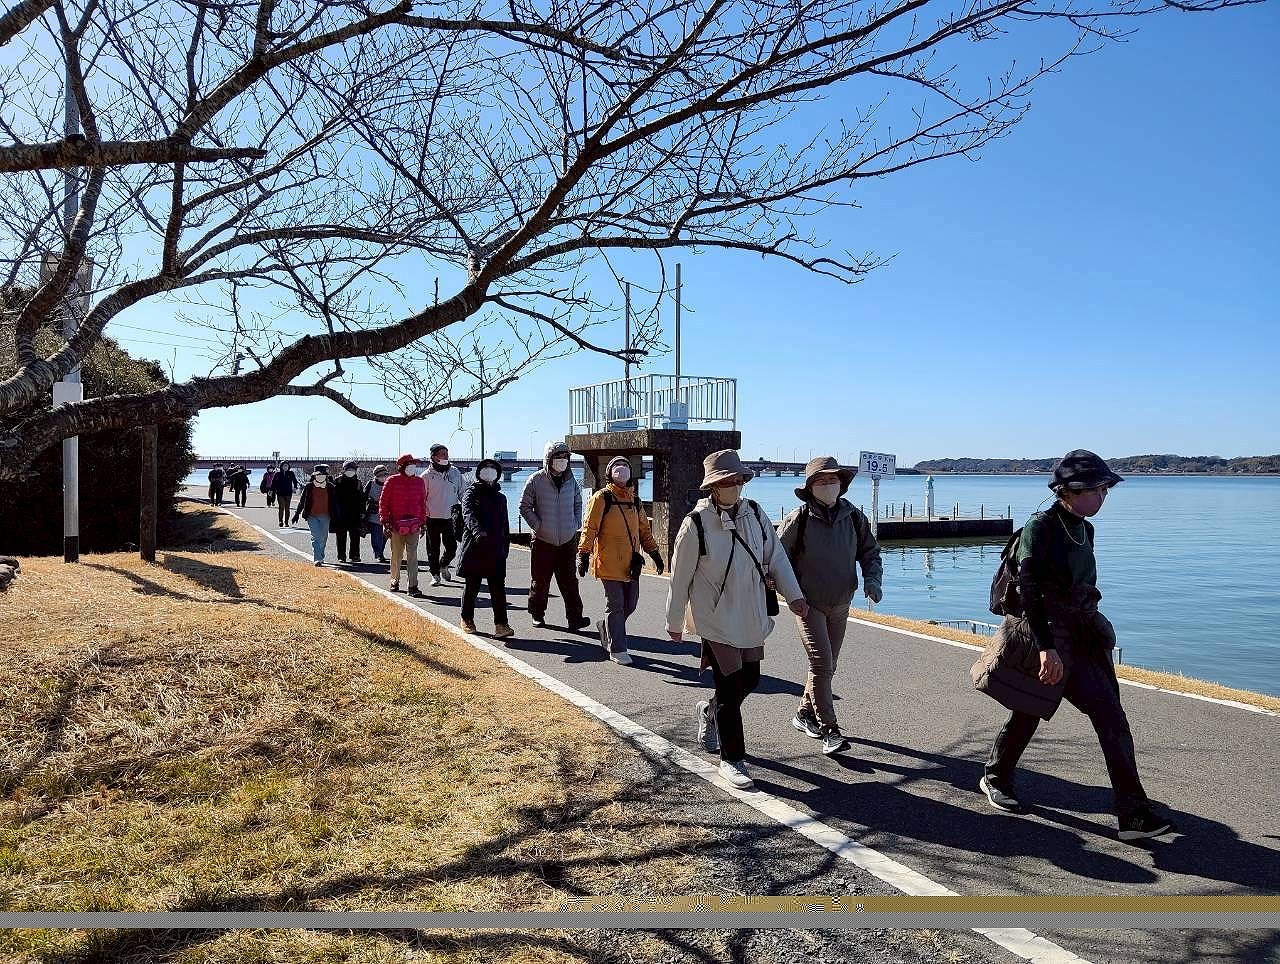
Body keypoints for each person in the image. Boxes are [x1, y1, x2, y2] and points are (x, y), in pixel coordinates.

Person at [979, 449, 1177, 842]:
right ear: (1069, 491)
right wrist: (1045, 648)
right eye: (1096, 489)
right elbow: (1029, 590)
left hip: (1082, 638)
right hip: (1048, 638)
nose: (1102, 497)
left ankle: (1133, 814)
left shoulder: (1085, 529)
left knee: (1110, 716)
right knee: (1029, 710)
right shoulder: (1042, 527)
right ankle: (996, 776)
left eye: (1105, 490)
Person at [666, 449, 807, 790]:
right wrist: (674, 621)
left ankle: (709, 710)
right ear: (712, 486)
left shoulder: (755, 514)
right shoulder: (695, 524)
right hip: (715, 618)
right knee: (730, 687)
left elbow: (777, 558)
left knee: (750, 679)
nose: (734, 485)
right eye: (727, 480)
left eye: (738, 479)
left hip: (750, 613)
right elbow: (680, 577)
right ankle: (732, 760)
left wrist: (794, 595)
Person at [778, 456, 883, 756]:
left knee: (827, 666)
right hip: (807, 605)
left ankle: (804, 713)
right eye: (821, 481)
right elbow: (776, 560)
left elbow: (870, 553)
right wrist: (791, 595)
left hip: (841, 604)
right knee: (822, 664)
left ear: (841, 484)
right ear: (810, 487)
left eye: (832, 479)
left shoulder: (854, 517)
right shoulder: (798, 519)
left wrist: (872, 580)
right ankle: (830, 730)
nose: (828, 485)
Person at [578, 456, 663, 666]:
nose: (621, 469)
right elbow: (590, 527)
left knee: (630, 604)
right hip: (608, 561)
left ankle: (606, 627)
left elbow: (644, 530)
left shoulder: (635, 501)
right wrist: (584, 553)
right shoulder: (601, 498)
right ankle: (618, 648)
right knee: (615, 605)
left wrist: (654, 553)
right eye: (617, 466)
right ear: (609, 473)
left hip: (631, 563)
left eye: (625, 465)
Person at [520, 441, 590, 631]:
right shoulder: (535, 480)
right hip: (543, 541)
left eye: (565, 457)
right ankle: (537, 614)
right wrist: (538, 526)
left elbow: (578, 502)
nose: (562, 460)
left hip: (568, 540)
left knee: (570, 582)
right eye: (558, 457)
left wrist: (576, 523)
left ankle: (575, 618)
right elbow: (524, 506)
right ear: (548, 459)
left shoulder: (571, 480)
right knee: (540, 581)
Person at [457, 457, 514, 639]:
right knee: (472, 585)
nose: (489, 471)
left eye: (492, 468)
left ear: (498, 474)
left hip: (496, 548)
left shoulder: (501, 498)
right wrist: (477, 531)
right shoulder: (471, 492)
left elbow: (505, 525)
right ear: (478, 473)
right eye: (485, 468)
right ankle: (466, 618)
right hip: (475, 545)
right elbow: (468, 513)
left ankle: (501, 624)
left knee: (498, 588)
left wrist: (505, 545)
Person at [378, 454, 428, 597]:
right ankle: (394, 581)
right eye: (409, 464)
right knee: (397, 555)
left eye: (414, 464)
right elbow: (383, 503)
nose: (413, 467)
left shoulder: (419, 482)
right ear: (402, 467)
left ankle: (413, 585)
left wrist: (423, 522)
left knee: (412, 555)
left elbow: (422, 503)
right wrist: (385, 522)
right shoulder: (391, 481)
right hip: (395, 525)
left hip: (414, 524)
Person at [423, 443, 465, 586]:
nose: (446, 457)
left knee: (452, 548)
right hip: (431, 518)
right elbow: (421, 499)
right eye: (443, 454)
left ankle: (444, 564)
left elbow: (463, 492)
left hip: (450, 518)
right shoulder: (426, 476)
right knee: (433, 549)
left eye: (447, 454)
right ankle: (435, 575)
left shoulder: (455, 472)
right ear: (434, 457)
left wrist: (468, 509)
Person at [292, 464, 340, 566]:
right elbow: (302, 501)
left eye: (323, 475)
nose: (321, 477)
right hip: (312, 516)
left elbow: (335, 503)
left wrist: (337, 515)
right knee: (316, 537)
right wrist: (297, 514)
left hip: (326, 516)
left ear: (326, 476)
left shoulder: (331, 487)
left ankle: (321, 555)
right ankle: (317, 558)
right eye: (318, 475)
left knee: (323, 537)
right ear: (314, 475)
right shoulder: (309, 487)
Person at [333, 460, 366, 564]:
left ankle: (355, 555)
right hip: (340, 514)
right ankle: (341, 556)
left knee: (355, 536)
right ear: (344, 470)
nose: (350, 471)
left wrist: (363, 511)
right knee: (341, 536)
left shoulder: (358, 482)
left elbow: (362, 499)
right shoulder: (337, 481)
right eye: (348, 469)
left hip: (355, 514)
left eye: (353, 469)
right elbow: (333, 498)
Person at [364, 464, 390, 564]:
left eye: (385, 475)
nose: (383, 477)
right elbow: (363, 498)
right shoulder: (370, 484)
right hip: (374, 515)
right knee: (376, 536)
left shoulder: (389, 483)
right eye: (380, 475)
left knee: (385, 536)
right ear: (376, 476)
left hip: (387, 515)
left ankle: (380, 552)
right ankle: (378, 554)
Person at [271, 461, 299, 527]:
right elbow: (273, 483)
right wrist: (271, 490)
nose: (285, 467)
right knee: (281, 507)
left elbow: (295, 481)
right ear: (281, 466)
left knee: (287, 508)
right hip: (280, 493)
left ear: (288, 466)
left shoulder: (291, 473)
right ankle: (280, 521)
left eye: (286, 466)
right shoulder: (277, 474)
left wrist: (295, 487)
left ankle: (286, 522)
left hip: (288, 493)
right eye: (284, 466)